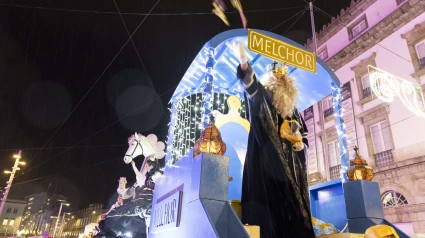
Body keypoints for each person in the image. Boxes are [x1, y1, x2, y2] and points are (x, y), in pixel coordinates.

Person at [227, 41, 315, 238]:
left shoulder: (295, 112)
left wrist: (301, 145)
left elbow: (305, 136)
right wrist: (244, 63)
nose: (281, 82)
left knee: (298, 216)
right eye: (278, 80)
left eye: (284, 81)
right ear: (272, 82)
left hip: (293, 172)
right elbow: (252, 88)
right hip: (271, 168)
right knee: (275, 217)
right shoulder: (264, 97)